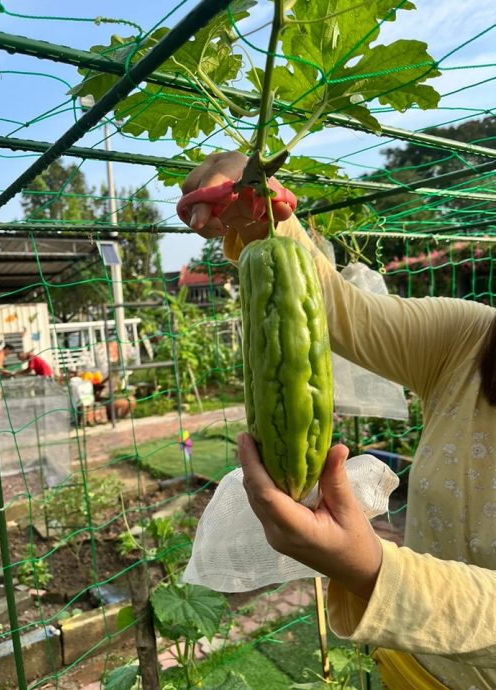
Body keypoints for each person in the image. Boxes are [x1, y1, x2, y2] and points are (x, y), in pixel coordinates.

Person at [180, 152, 496, 690]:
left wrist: (369, 568)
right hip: (406, 665)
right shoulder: (473, 341)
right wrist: (259, 205)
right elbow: (327, 305)